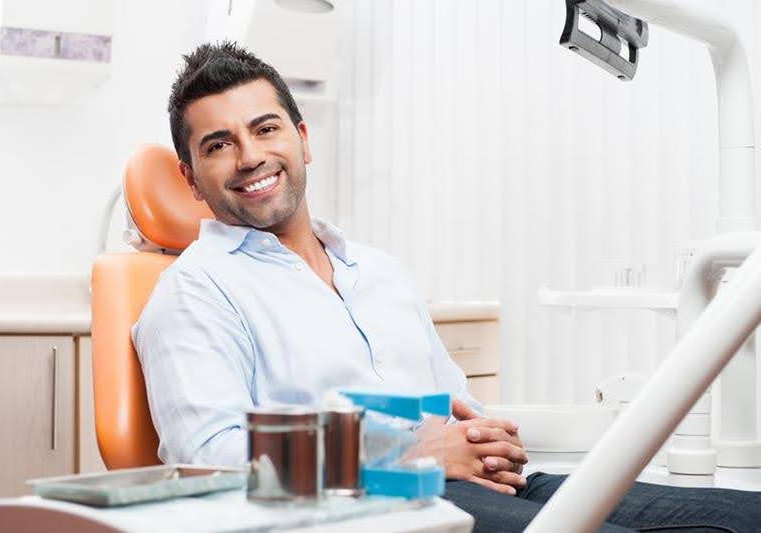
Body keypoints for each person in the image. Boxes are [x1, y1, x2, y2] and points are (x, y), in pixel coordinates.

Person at [133, 41, 761, 532]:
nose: (249, 156)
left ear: (301, 139)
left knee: (747, 516)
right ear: (192, 179)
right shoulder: (194, 291)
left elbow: (454, 405)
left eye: (265, 129)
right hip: (362, 513)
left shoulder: (379, 273)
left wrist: (488, 439)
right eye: (219, 144)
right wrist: (404, 455)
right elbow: (210, 459)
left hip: (481, 487)